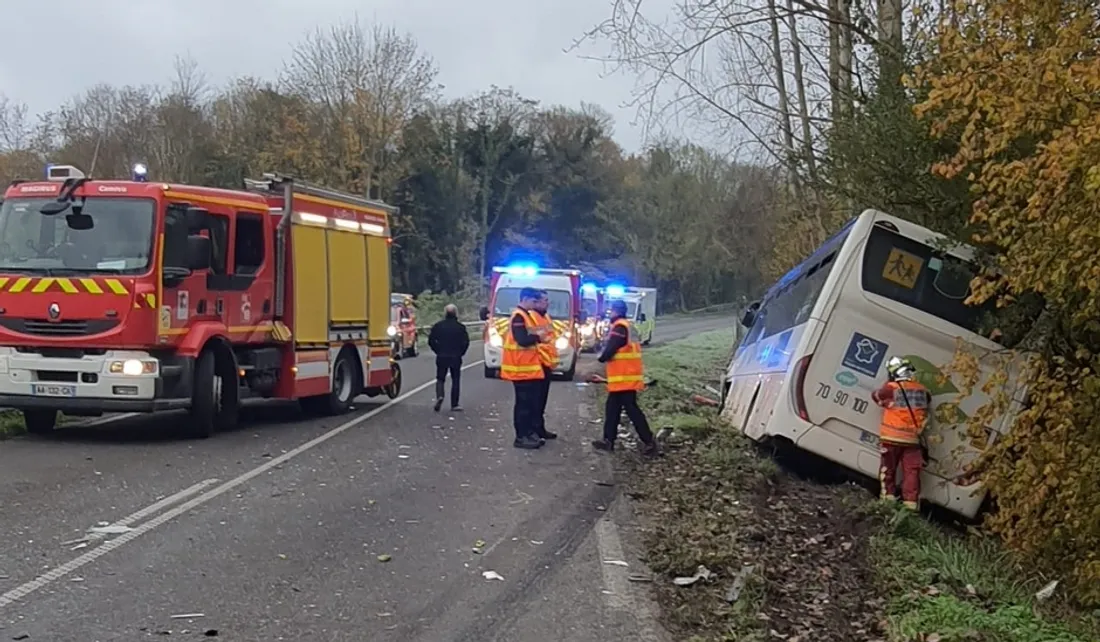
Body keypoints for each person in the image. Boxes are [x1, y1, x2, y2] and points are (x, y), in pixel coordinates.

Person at [592, 299, 658, 456]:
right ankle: (609, 440)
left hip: (624, 379)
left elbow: (612, 348)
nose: (610, 313)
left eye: (611, 310)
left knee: (631, 411)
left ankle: (649, 441)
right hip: (627, 377)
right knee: (614, 409)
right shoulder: (627, 326)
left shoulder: (619, 327)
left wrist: (601, 357)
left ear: (615, 310)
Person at [871, 356, 932, 511]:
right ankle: (910, 506)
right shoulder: (923, 390)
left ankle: (888, 500)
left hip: (891, 438)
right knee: (911, 473)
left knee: (888, 469)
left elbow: (876, 396)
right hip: (912, 440)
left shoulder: (891, 388)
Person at [502, 287, 550, 449]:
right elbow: (521, 339)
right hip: (519, 368)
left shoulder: (526, 316)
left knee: (529, 405)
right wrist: (539, 337)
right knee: (522, 405)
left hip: (528, 369)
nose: (535, 304)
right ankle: (521, 437)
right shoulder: (518, 316)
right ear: (525, 299)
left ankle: (529, 434)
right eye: (534, 301)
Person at [427, 303, 470, 412]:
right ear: (456, 313)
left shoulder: (438, 326)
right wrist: (461, 352)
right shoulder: (460, 327)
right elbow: (465, 342)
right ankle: (454, 404)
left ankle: (440, 396)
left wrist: (437, 350)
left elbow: (431, 340)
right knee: (455, 380)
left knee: (440, 378)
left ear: (445, 313)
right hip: (455, 357)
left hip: (442, 355)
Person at [529, 290, 559, 442]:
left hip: (546, 363)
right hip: (537, 363)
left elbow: (551, 338)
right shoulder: (532, 317)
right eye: (545, 300)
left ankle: (540, 428)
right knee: (534, 400)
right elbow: (537, 341)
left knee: (542, 400)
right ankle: (533, 430)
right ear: (536, 302)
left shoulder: (546, 317)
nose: (547, 303)